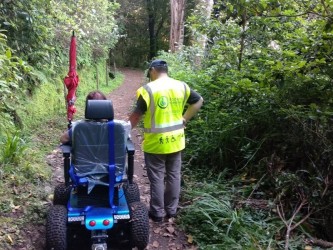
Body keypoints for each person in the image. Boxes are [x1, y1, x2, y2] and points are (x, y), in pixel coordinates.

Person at [128, 59, 203, 222]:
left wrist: (124, 131)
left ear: (153, 70)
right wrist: (185, 118)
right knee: (174, 175)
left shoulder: (148, 89)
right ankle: (172, 210)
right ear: (166, 70)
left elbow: (136, 115)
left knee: (157, 177)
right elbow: (198, 101)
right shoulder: (181, 86)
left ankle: (158, 212)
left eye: (150, 72)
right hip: (176, 141)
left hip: (156, 143)